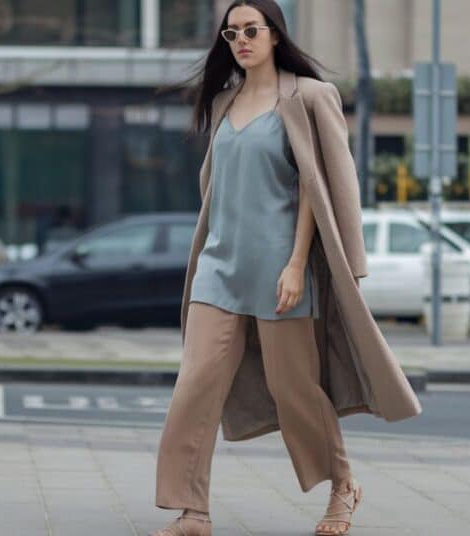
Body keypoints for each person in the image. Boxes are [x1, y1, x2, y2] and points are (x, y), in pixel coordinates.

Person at [151, 2, 422, 535]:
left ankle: (343, 485)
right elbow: (218, 184)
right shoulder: (226, 101)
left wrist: (298, 263)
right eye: (232, 33)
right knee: (195, 387)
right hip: (219, 267)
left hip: (281, 269)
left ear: (275, 34)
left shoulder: (309, 96)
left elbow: (316, 187)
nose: (241, 40)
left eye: (251, 30)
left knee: (295, 390)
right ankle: (194, 511)